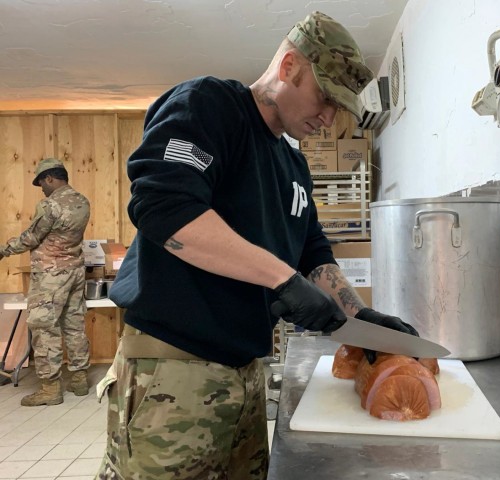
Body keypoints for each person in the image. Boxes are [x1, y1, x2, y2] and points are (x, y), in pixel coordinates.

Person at [94, 11, 418, 480]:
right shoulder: (208, 106)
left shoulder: (293, 164)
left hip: (246, 373)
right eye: (324, 98)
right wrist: (280, 279)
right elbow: (165, 209)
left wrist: (355, 313)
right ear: (290, 67)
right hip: (174, 371)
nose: (329, 118)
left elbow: (312, 252)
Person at [0, 157, 91, 406]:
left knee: (44, 327)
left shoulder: (50, 205)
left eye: (41, 182)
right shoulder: (82, 201)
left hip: (51, 274)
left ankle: (50, 389)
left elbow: (31, 237)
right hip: (75, 270)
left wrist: (4, 249)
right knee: (74, 324)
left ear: (50, 178)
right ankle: (80, 380)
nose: (41, 188)